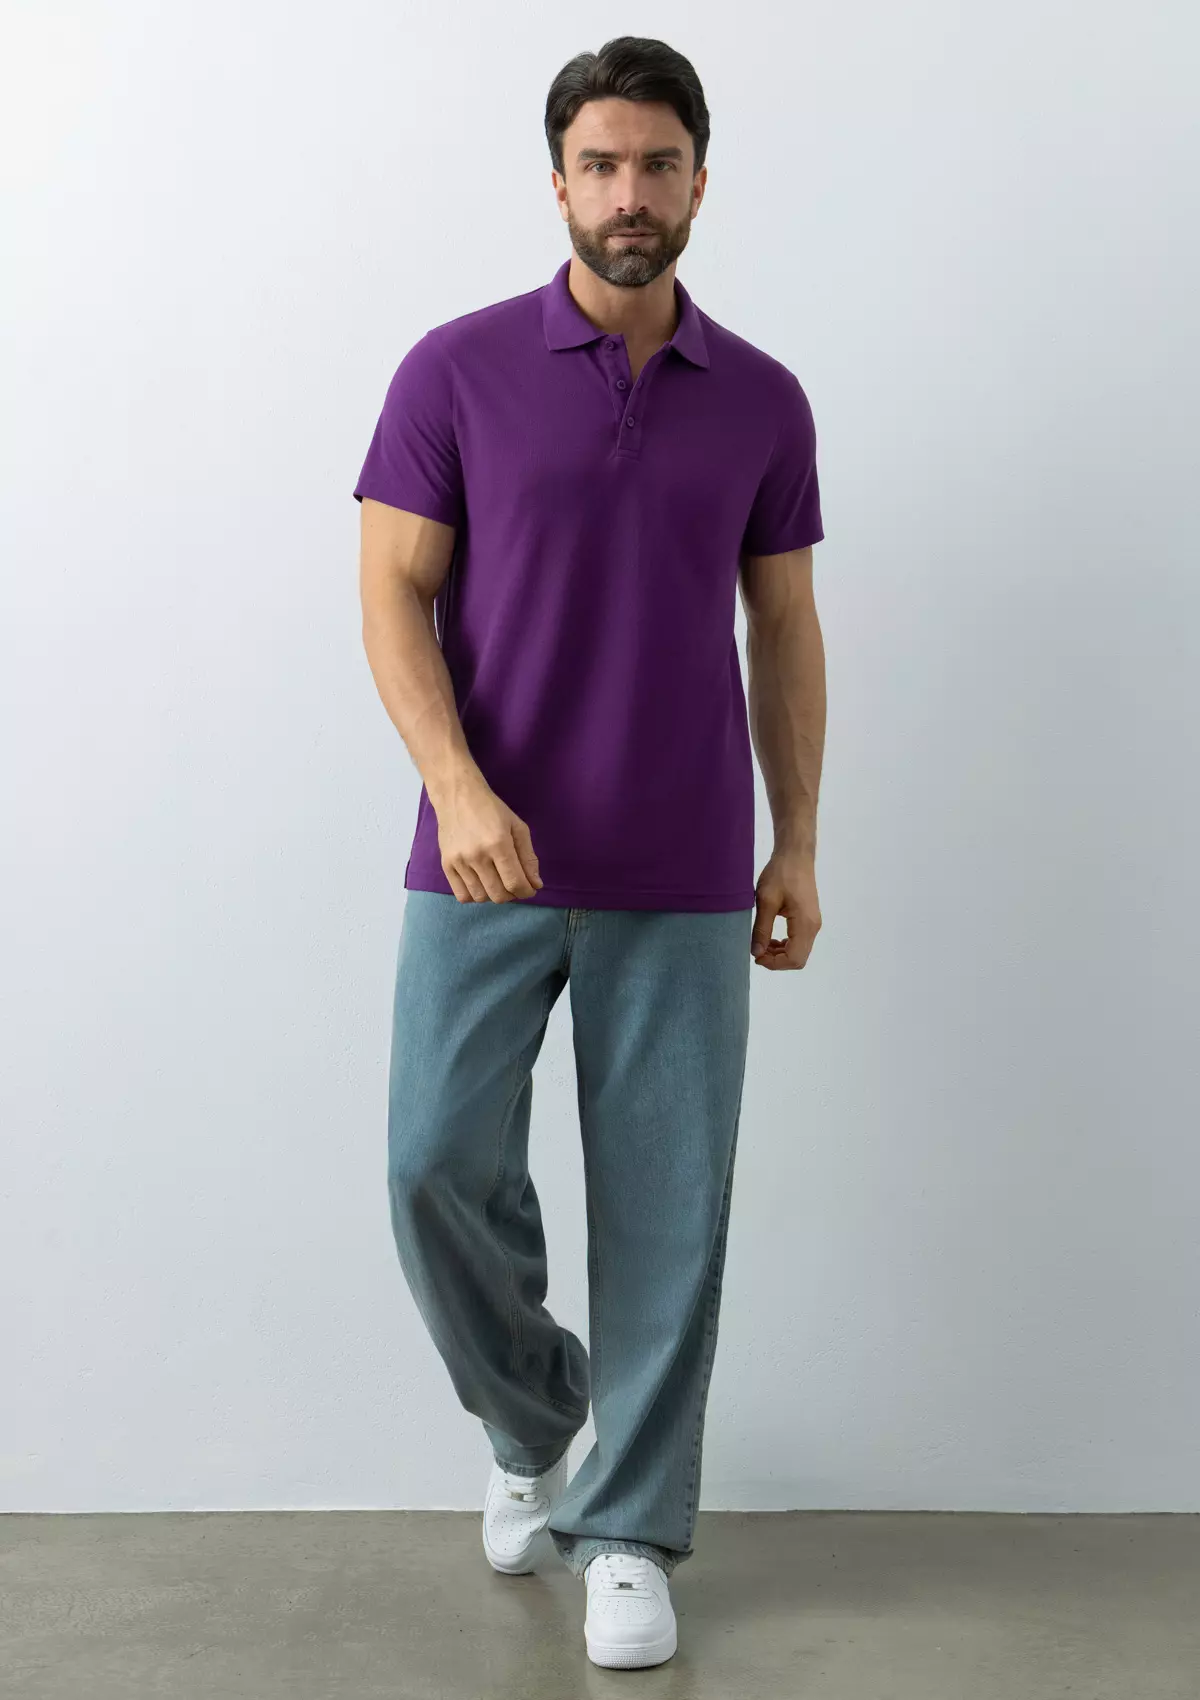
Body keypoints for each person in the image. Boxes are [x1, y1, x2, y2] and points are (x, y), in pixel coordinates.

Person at [353, 34, 826, 1671]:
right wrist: (459, 788)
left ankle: (627, 1531)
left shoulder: (763, 398)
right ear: (558, 181)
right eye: (604, 165)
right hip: (482, 857)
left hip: (683, 863)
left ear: (700, 182)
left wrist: (798, 840)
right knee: (430, 1168)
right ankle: (532, 1418)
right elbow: (391, 592)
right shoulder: (455, 371)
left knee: (668, 1212)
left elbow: (785, 626)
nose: (632, 193)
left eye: (660, 165)